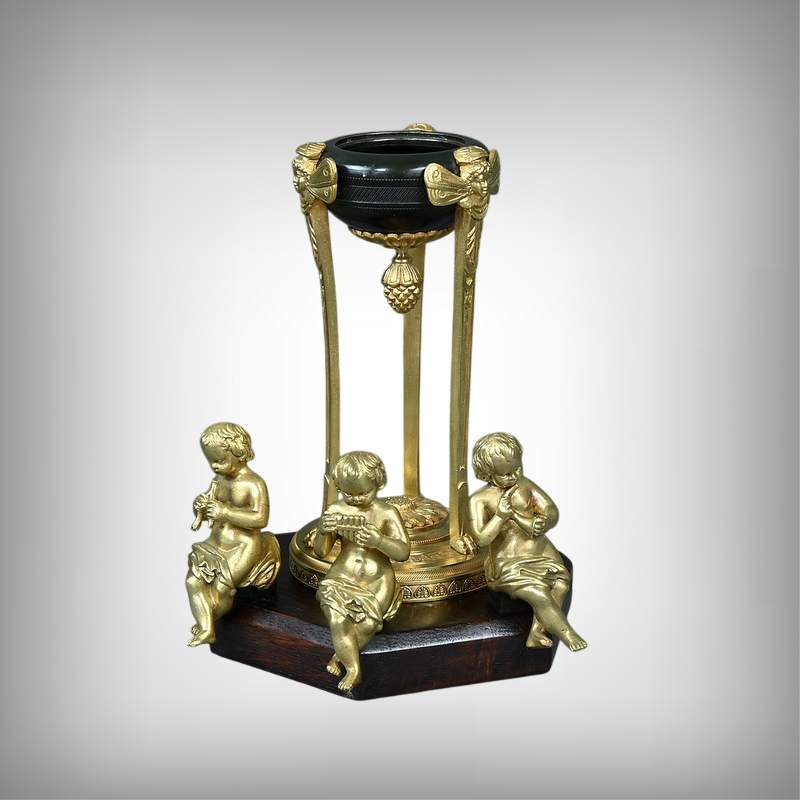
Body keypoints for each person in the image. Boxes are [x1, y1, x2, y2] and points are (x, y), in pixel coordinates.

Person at [469, 432, 587, 651]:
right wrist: (500, 516)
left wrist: (545, 520)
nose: (513, 477)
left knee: (561, 584)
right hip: (508, 562)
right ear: (488, 473)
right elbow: (481, 539)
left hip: (540, 551)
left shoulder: (525, 486)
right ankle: (567, 633)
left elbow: (550, 509)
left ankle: (536, 633)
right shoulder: (480, 500)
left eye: (517, 469)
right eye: (505, 474)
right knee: (538, 592)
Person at [315, 451, 411, 692]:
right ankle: (354, 669)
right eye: (348, 494)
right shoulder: (336, 510)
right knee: (337, 617)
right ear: (339, 487)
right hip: (342, 576)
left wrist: (379, 541)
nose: (356, 499)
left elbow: (403, 552)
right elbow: (321, 552)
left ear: (378, 483)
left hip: (377, 580)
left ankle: (340, 655)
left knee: (367, 624)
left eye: (363, 493)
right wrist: (323, 531)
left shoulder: (387, 513)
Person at [186, 423, 280, 647]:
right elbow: (211, 515)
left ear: (238, 452)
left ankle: (207, 623)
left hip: (243, 546)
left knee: (221, 589)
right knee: (192, 581)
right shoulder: (219, 481)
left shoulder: (253, 484)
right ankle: (207, 627)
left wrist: (225, 512)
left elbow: (260, 519)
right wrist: (201, 508)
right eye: (211, 461)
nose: (214, 466)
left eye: (220, 460)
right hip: (216, 543)